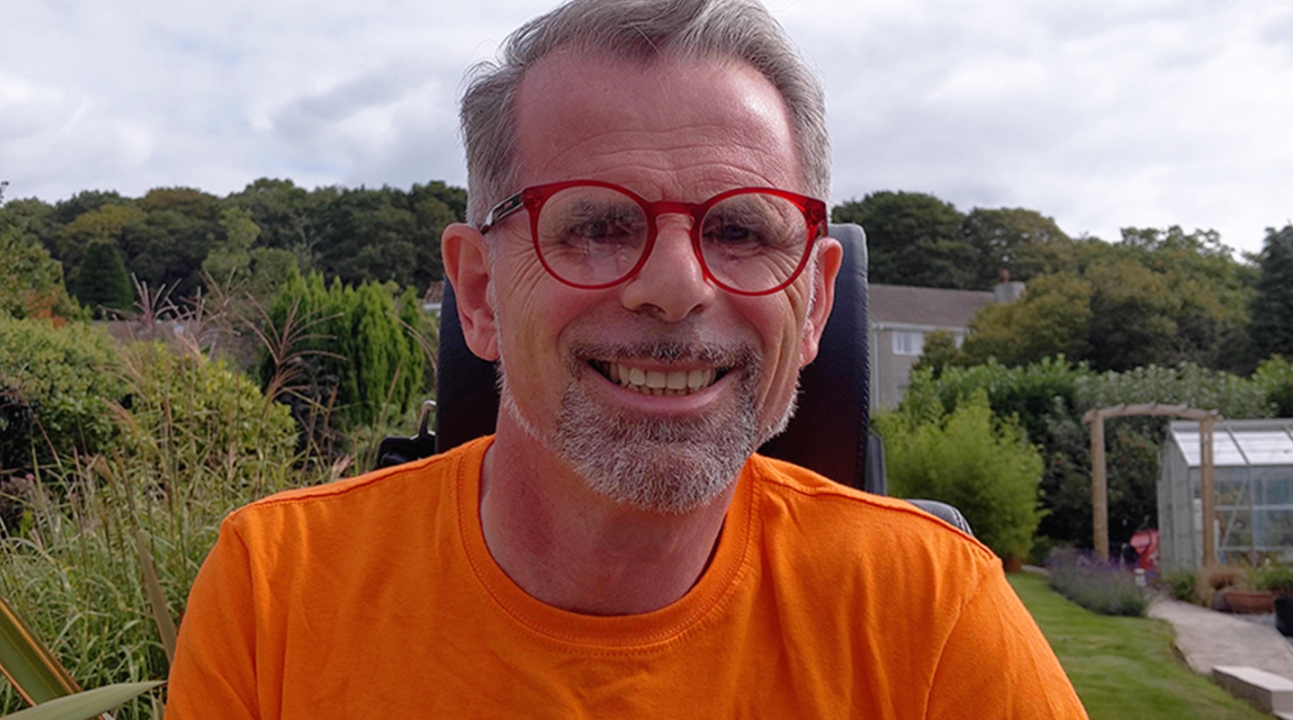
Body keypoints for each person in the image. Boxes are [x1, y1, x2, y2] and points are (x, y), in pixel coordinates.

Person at [166, 0, 1089, 717]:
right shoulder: (279, 595)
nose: (678, 286)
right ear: (480, 293)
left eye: (740, 228)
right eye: (599, 226)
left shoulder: (931, 615)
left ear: (813, 304)